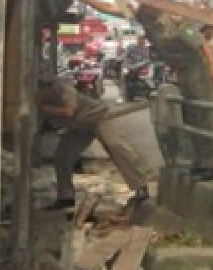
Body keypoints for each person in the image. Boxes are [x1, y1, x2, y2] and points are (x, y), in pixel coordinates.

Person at [136, 0, 213, 180]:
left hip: (198, 70)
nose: (144, 4)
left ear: (160, 2)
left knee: (206, 114)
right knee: (192, 115)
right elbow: (113, 8)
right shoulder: (145, 18)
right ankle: (202, 161)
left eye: (148, 0)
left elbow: (203, 46)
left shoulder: (175, 20)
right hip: (182, 72)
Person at [37, 63, 151, 209]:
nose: (41, 91)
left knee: (115, 146)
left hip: (97, 118)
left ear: (48, 86)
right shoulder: (41, 97)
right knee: (62, 156)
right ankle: (65, 197)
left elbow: (69, 112)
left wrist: (43, 108)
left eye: (43, 87)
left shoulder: (63, 89)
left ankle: (140, 186)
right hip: (79, 127)